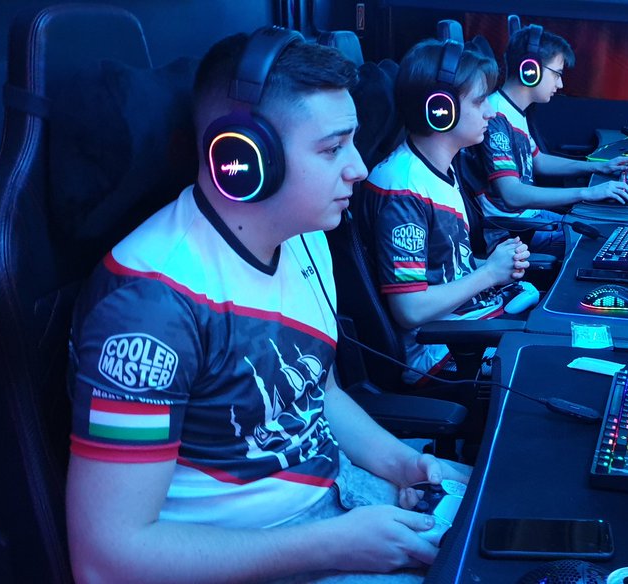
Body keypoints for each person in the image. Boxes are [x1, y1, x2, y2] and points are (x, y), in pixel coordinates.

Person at [65, 28, 467, 583]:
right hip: (252, 558)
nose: (358, 167)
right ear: (244, 158)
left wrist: (402, 463)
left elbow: (320, 393)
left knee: (506, 513)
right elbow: (105, 560)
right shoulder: (150, 307)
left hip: (338, 503)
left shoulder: (305, 237)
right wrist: (332, 545)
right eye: (332, 149)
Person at [367, 38, 530, 385]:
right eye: (479, 101)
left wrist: (492, 265)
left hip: (470, 325)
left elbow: (443, 269)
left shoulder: (438, 170)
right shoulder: (404, 188)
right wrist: (489, 275)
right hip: (443, 354)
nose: (490, 112)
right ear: (441, 108)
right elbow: (411, 309)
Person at [465, 24, 628, 254]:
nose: (560, 84)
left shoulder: (513, 111)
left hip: (530, 218)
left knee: (612, 228)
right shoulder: (496, 117)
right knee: (605, 244)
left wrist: (599, 167)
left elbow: (539, 161)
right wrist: (587, 192)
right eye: (556, 74)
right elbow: (512, 195)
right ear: (530, 70)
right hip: (512, 234)